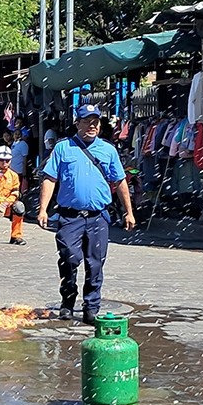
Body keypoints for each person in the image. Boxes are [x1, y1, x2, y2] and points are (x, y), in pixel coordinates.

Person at [37, 104, 134, 324]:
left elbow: (119, 182)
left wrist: (129, 212)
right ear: (77, 123)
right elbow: (50, 179)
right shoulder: (63, 148)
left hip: (97, 217)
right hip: (69, 217)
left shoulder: (108, 150)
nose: (92, 126)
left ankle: (91, 306)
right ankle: (68, 302)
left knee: (95, 263)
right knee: (69, 258)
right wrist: (43, 209)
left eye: (96, 122)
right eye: (87, 121)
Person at [10, 128, 30, 193]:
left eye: (19, 134)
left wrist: (24, 171)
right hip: (12, 170)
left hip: (19, 171)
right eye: (16, 134)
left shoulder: (23, 144)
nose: (17, 136)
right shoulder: (14, 143)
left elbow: (25, 158)